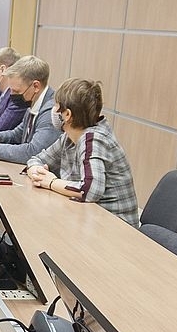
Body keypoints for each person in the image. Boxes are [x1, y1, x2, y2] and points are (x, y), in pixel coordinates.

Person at [26, 78, 139, 226]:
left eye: (56, 105)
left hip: (115, 226)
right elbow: (37, 159)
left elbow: (89, 191)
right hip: (87, 218)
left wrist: (51, 182)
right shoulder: (69, 136)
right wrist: (36, 172)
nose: (53, 109)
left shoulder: (94, 139)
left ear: (67, 114)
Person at [0, 55, 59, 164]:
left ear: (36, 86)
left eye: (16, 91)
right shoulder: (32, 101)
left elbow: (33, 152)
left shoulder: (50, 111)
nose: (12, 95)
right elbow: (17, 134)